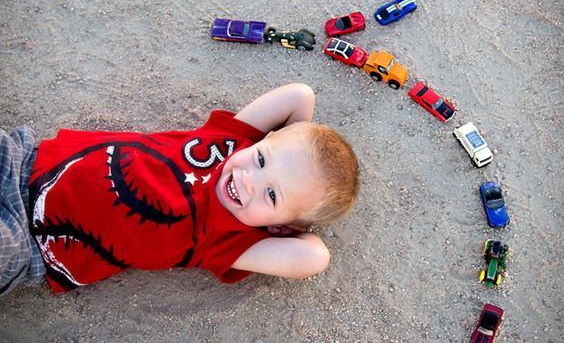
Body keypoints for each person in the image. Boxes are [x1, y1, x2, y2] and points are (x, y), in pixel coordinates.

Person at [1, 83, 359, 296]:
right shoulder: (234, 142)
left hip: (31, 240)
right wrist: (286, 156)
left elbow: (314, 258)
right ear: (264, 138)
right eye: (262, 160)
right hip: (27, 160)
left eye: (272, 195)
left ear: (280, 227)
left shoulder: (234, 240)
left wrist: (288, 222)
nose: (249, 179)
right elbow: (300, 95)